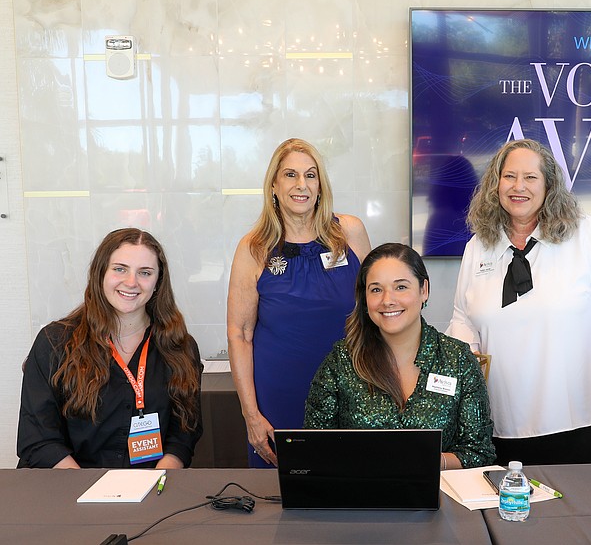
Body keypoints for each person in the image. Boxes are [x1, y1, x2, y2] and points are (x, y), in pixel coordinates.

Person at [446, 138, 591, 466]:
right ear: (495, 184)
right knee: (508, 513)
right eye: (509, 176)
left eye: (531, 177)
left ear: (549, 186)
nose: (519, 187)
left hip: (577, 418)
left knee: (572, 513)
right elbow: (463, 317)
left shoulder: (584, 235)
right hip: (499, 419)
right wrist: (465, 352)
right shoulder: (478, 246)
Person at [228, 138, 371, 467]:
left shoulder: (350, 232)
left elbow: (375, 311)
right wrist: (251, 415)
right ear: (274, 185)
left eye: (310, 175)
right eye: (290, 175)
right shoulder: (254, 249)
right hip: (278, 396)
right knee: (282, 499)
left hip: (349, 390)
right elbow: (239, 333)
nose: (301, 185)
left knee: (348, 493)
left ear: (320, 185)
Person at [17, 228, 202, 469]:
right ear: (100, 273)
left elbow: (183, 435)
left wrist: (157, 484)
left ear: (158, 282)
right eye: (120, 269)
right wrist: (90, 494)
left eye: (145, 273)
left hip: (149, 488)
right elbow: (39, 439)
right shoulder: (54, 342)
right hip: (66, 487)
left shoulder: (180, 347)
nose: (131, 282)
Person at [304, 243, 496, 469]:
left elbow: (480, 452)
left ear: (424, 290)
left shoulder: (458, 359)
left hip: (439, 498)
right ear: (364, 299)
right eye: (376, 289)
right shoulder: (341, 361)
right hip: (360, 498)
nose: (388, 300)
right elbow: (314, 448)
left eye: (401, 287)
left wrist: (427, 462)